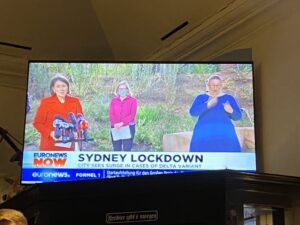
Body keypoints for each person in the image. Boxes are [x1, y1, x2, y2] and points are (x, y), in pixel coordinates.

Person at [189, 75, 242, 152]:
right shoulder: (201, 97)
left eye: (217, 85)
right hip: (203, 136)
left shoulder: (229, 98)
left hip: (225, 136)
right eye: (212, 85)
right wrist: (207, 105)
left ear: (221, 86)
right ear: (208, 85)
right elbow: (193, 112)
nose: (215, 87)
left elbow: (238, 117)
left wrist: (231, 111)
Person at [33, 74, 84, 151]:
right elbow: (37, 123)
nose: (61, 89)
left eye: (64, 86)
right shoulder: (46, 102)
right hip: (51, 144)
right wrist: (50, 133)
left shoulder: (75, 101)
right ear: (53, 89)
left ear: (68, 87)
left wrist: (78, 131)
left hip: (71, 144)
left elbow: (80, 120)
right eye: (58, 86)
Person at [108, 81, 138, 151]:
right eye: (120, 89)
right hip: (115, 127)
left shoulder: (133, 100)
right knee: (116, 149)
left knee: (127, 149)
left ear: (127, 89)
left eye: (124, 88)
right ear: (117, 90)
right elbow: (111, 113)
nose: (122, 90)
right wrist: (115, 124)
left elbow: (132, 115)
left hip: (128, 127)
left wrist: (122, 123)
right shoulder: (114, 101)